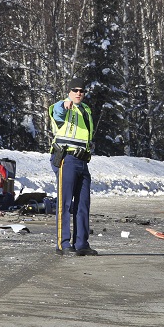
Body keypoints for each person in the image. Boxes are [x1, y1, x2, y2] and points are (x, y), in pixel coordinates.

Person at [48, 77, 97, 256]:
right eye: (75, 90)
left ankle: (81, 243)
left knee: (83, 203)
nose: (78, 93)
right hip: (66, 159)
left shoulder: (86, 110)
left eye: (81, 91)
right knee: (65, 203)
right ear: (68, 92)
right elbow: (58, 113)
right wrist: (65, 104)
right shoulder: (61, 106)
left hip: (82, 161)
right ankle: (63, 244)